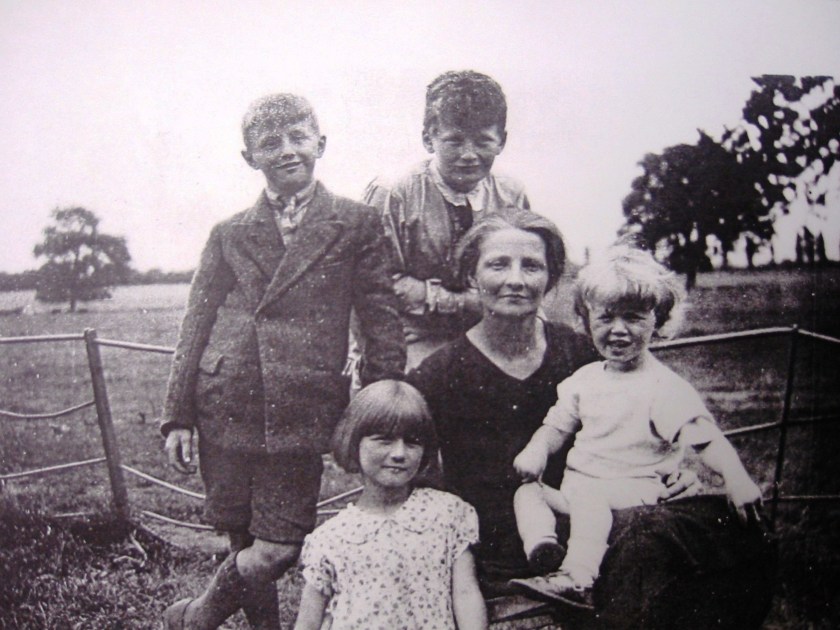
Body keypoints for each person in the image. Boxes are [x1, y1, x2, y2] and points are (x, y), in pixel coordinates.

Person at [407, 207, 774, 628]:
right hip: (500, 552)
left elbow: (646, 413)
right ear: (471, 276)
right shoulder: (437, 375)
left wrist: (673, 470)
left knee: (733, 539)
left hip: (608, 533)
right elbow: (415, 485)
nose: (515, 279)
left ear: (550, 278)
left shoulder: (584, 354)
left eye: (532, 266)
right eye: (497, 264)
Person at [159, 93, 405, 630]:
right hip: (226, 400)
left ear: (321, 143)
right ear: (250, 157)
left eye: (298, 137)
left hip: (302, 408)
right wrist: (178, 414)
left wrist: (386, 399)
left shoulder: (356, 223)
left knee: (279, 548)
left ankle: (197, 616)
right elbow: (196, 323)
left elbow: (380, 314)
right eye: (270, 143)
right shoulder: (228, 232)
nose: (287, 151)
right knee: (242, 538)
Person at [509, 246, 764, 610]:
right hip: (579, 494)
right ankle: (544, 552)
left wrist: (737, 479)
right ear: (586, 321)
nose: (618, 330)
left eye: (633, 317)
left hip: (633, 493)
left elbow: (705, 438)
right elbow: (555, 426)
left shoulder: (661, 387)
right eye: (605, 317)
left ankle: (576, 580)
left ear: (657, 321)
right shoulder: (585, 379)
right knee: (528, 492)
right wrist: (536, 450)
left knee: (592, 501)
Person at [363, 70, 530, 370]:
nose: (469, 154)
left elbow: (528, 266)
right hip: (411, 334)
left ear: (501, 141)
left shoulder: (511, 195)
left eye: (482, 141)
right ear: (429, 138)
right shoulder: (394, 193)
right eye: (454, 141)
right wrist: (463, 302)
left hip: (491, 331)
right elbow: (377, 281)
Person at [294, 380, 487, 630]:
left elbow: (465, 594)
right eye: (384, 440)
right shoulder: (331, 538)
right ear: (354, 443)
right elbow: (307, 624)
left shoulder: (448, 514)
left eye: (412, 442)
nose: (399, 453)